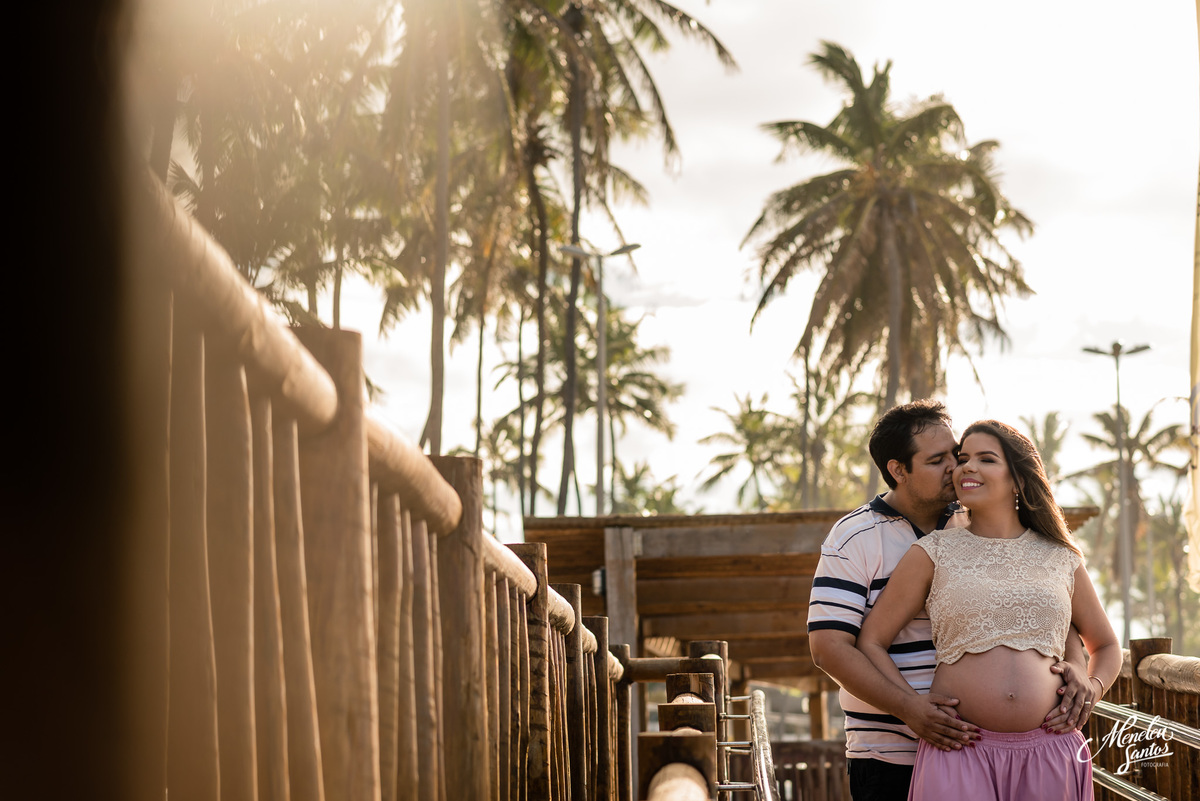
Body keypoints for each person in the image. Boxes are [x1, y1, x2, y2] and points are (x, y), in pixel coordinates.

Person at [807, 402, 1095, 801]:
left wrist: (1079, 667)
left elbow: (1047, 613)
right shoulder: (854, 537)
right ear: (898, 470)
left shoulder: (979, 520)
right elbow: (829, 648)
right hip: (889, 751)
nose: (956, 468)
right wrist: (910, 709)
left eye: (955, 455)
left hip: (1001, 747)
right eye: (938, 459)